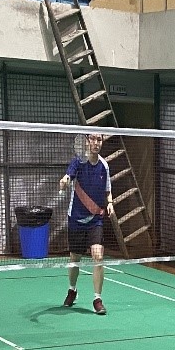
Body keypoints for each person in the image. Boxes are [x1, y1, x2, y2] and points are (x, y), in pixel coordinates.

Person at [59, 132, 112, 316]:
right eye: (93, 139)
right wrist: (65, 181)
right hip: (76, 218)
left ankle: (97, 299)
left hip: (95, 219)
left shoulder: (104, 166)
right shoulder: (78, 162)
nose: (96, 142)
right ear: (87, 141)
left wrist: (110, 203)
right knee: (75, 258)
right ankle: (72, 289)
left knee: (98, 256)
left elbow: (107, 190)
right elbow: (68, 176)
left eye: (99, 139)